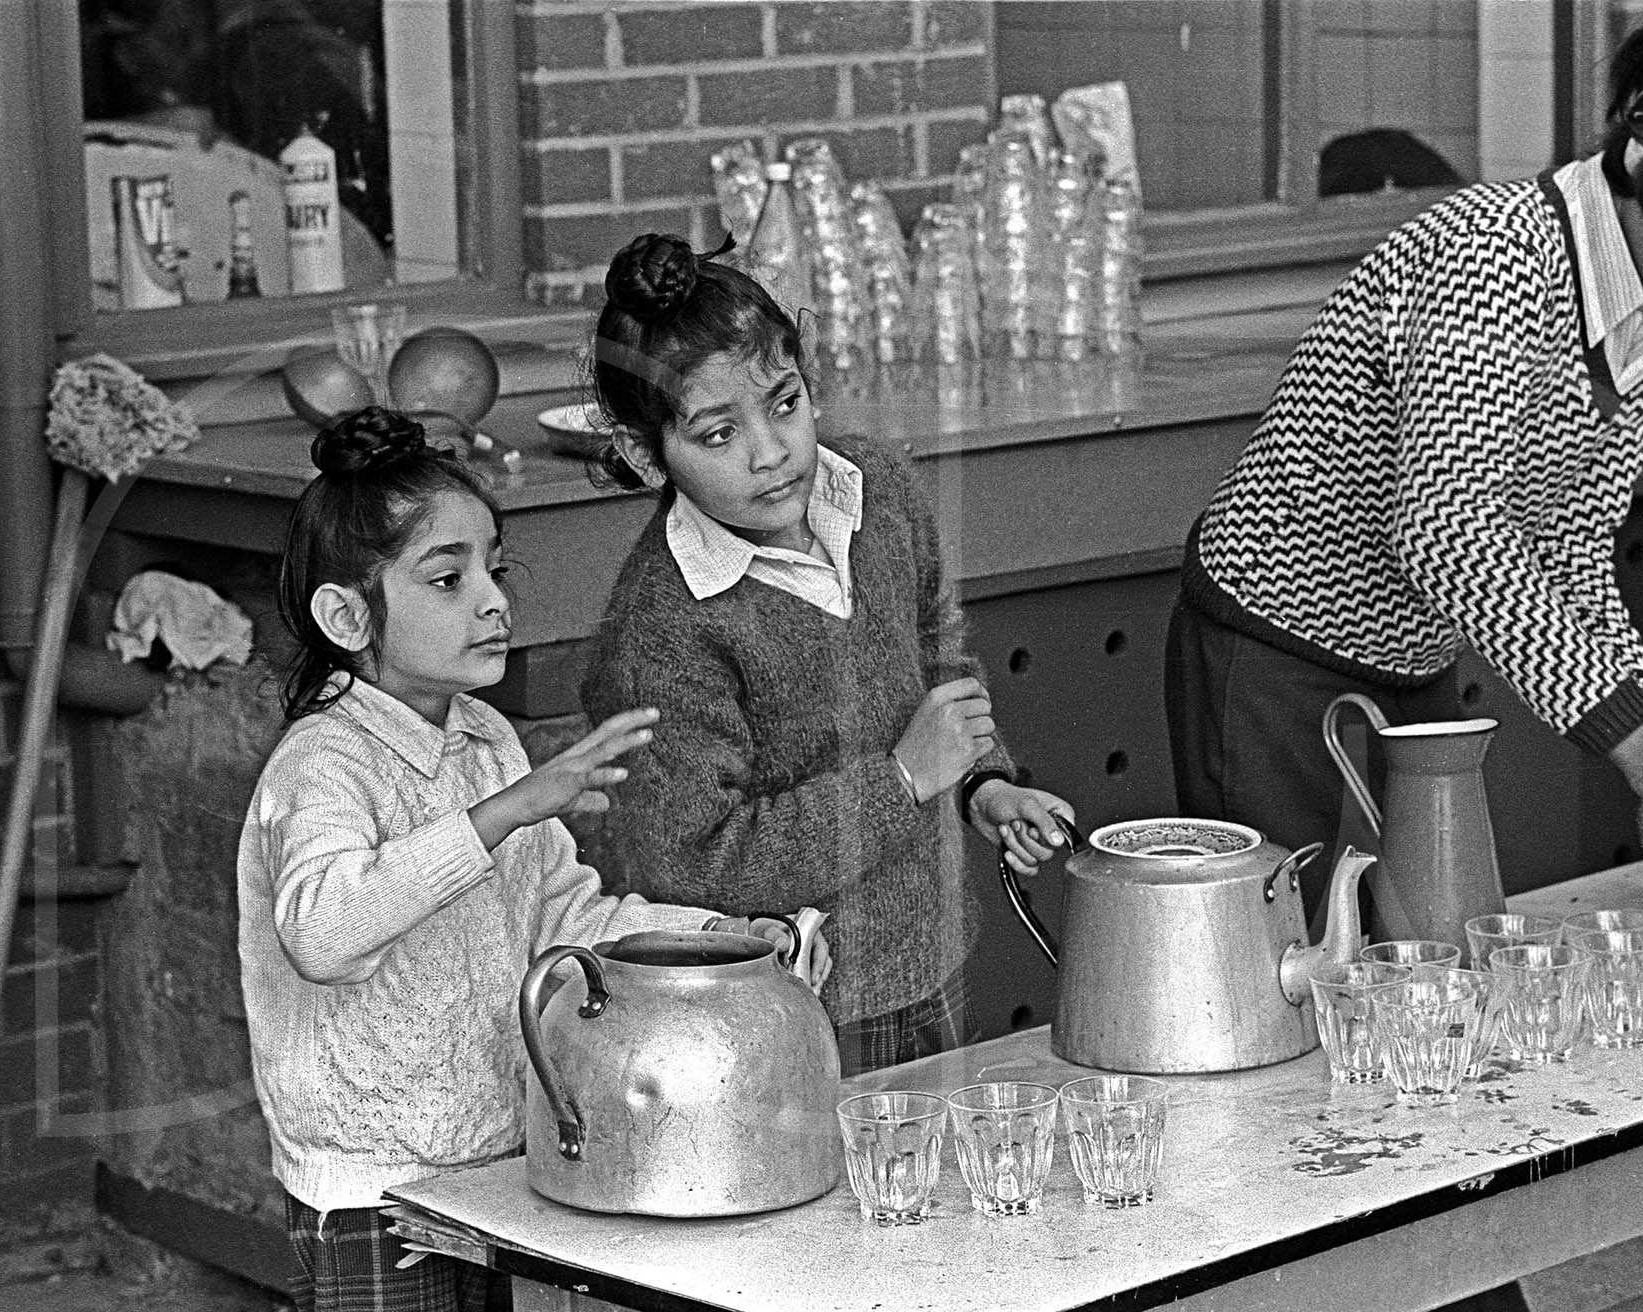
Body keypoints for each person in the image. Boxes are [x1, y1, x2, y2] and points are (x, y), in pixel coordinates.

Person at [1167, 0, 1643, 951]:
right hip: (1271, 658)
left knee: (1422, 973)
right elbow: (1445, 528)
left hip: (1411, 664)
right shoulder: (1494, 253)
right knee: (1280, 986)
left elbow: (1570, 549)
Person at [238, 408, 811, 1312]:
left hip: (503, 1164)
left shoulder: (486, 738)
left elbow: (564, 922)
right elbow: (324, 932)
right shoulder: (322, 764)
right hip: (370, 1195)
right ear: (347, 615)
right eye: (447, 578)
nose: (494, 600)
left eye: (495, 569)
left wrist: (716, 936)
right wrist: (508, 811)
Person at [579, 233, 1076, 1077]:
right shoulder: (660, 631)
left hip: (936, 953)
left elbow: (937, 651)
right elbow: (696, 863)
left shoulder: (875, 487)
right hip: (792, 1008)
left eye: (784, 403)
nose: (770, 453)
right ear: (641, 453)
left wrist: (983, 783)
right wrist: (903, 781)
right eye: (716, 433)